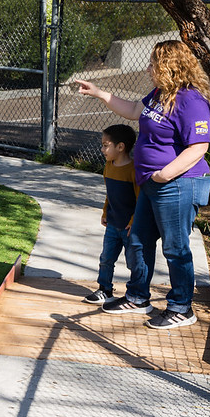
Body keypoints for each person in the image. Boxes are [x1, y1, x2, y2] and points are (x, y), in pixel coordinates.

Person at [75, 39, 210, 329]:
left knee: (175, 248)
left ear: (169, 66)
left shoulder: (192, 100)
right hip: (152, 184)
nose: (148, 69)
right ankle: (138, 298)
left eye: (153, 64)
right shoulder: (160, 94)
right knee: (138, 240)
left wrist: (164, 174)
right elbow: (133, 110)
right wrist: (99, 93)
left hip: (179, 184)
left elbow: (198, 147)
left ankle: (181, 307)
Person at [83, 124, 140, 305]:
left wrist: (134, 221)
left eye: (105, 145)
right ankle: (105, 289)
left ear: (120, 146)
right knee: (106, 258)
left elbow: (140, 199)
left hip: (130, 228)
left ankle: (135, 294)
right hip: (113, 224)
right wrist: (105, 211)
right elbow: (110, 193)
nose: (102, 149)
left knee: (134, 262)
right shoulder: (108, 166)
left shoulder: (133, 170)